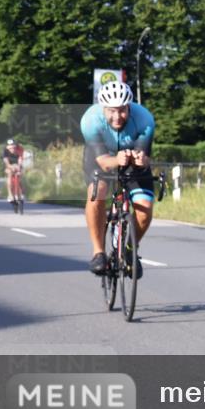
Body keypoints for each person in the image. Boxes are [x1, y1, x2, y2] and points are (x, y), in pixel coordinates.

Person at [80, 81, 156, 278]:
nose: (117, 116)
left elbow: (144, 156)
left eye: (122, 110)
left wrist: (141, 159)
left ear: (129, 107)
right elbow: (104, 163)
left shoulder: (145, 118)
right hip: (101, 158)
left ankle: (130, 249)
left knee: (145, 207)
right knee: (97, 194)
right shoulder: (90, 120)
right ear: (103, 108)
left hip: (130, 159)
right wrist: (117, 159)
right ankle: (98, 252)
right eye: (111, 111)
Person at [1, 138, 24, 203]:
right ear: (7, 147)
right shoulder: (5, 151)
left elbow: (20, 159)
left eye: (13, 146)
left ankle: (21, 192)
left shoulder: (19, 149)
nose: (12, 148)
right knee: (9, 173)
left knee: (19, 174)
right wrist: (11, 167)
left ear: (15, 146)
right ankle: (10, 195)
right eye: (10, 147)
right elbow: (6, 162)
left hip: (17, 165)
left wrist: (18, 166)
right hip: (9, 165)